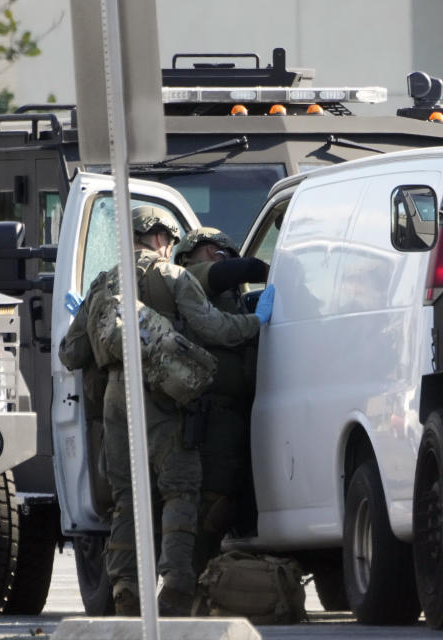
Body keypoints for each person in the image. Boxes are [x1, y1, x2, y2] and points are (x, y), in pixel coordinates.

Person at [88, 207, 275, 617]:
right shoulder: (173, 277)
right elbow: (214, 329)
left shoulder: (103, 284)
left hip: (116, 398)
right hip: (163, 392)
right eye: (170, 242)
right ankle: (175, 587)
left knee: (126, 500)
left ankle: (125, 590)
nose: (170, 249)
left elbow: (72, 352)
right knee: (180, 490)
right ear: (159, 238)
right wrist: (255, 323)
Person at [173, 227, 269, 573]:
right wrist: (269, 268)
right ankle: (194, 580)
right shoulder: (190, 277)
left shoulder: (227, 295)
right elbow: (232, 271)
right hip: (210, 413)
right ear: (191, 254)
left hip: (236, 411)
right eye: (212, 250)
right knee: (210, 505)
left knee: (231, 497)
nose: (218, 257)